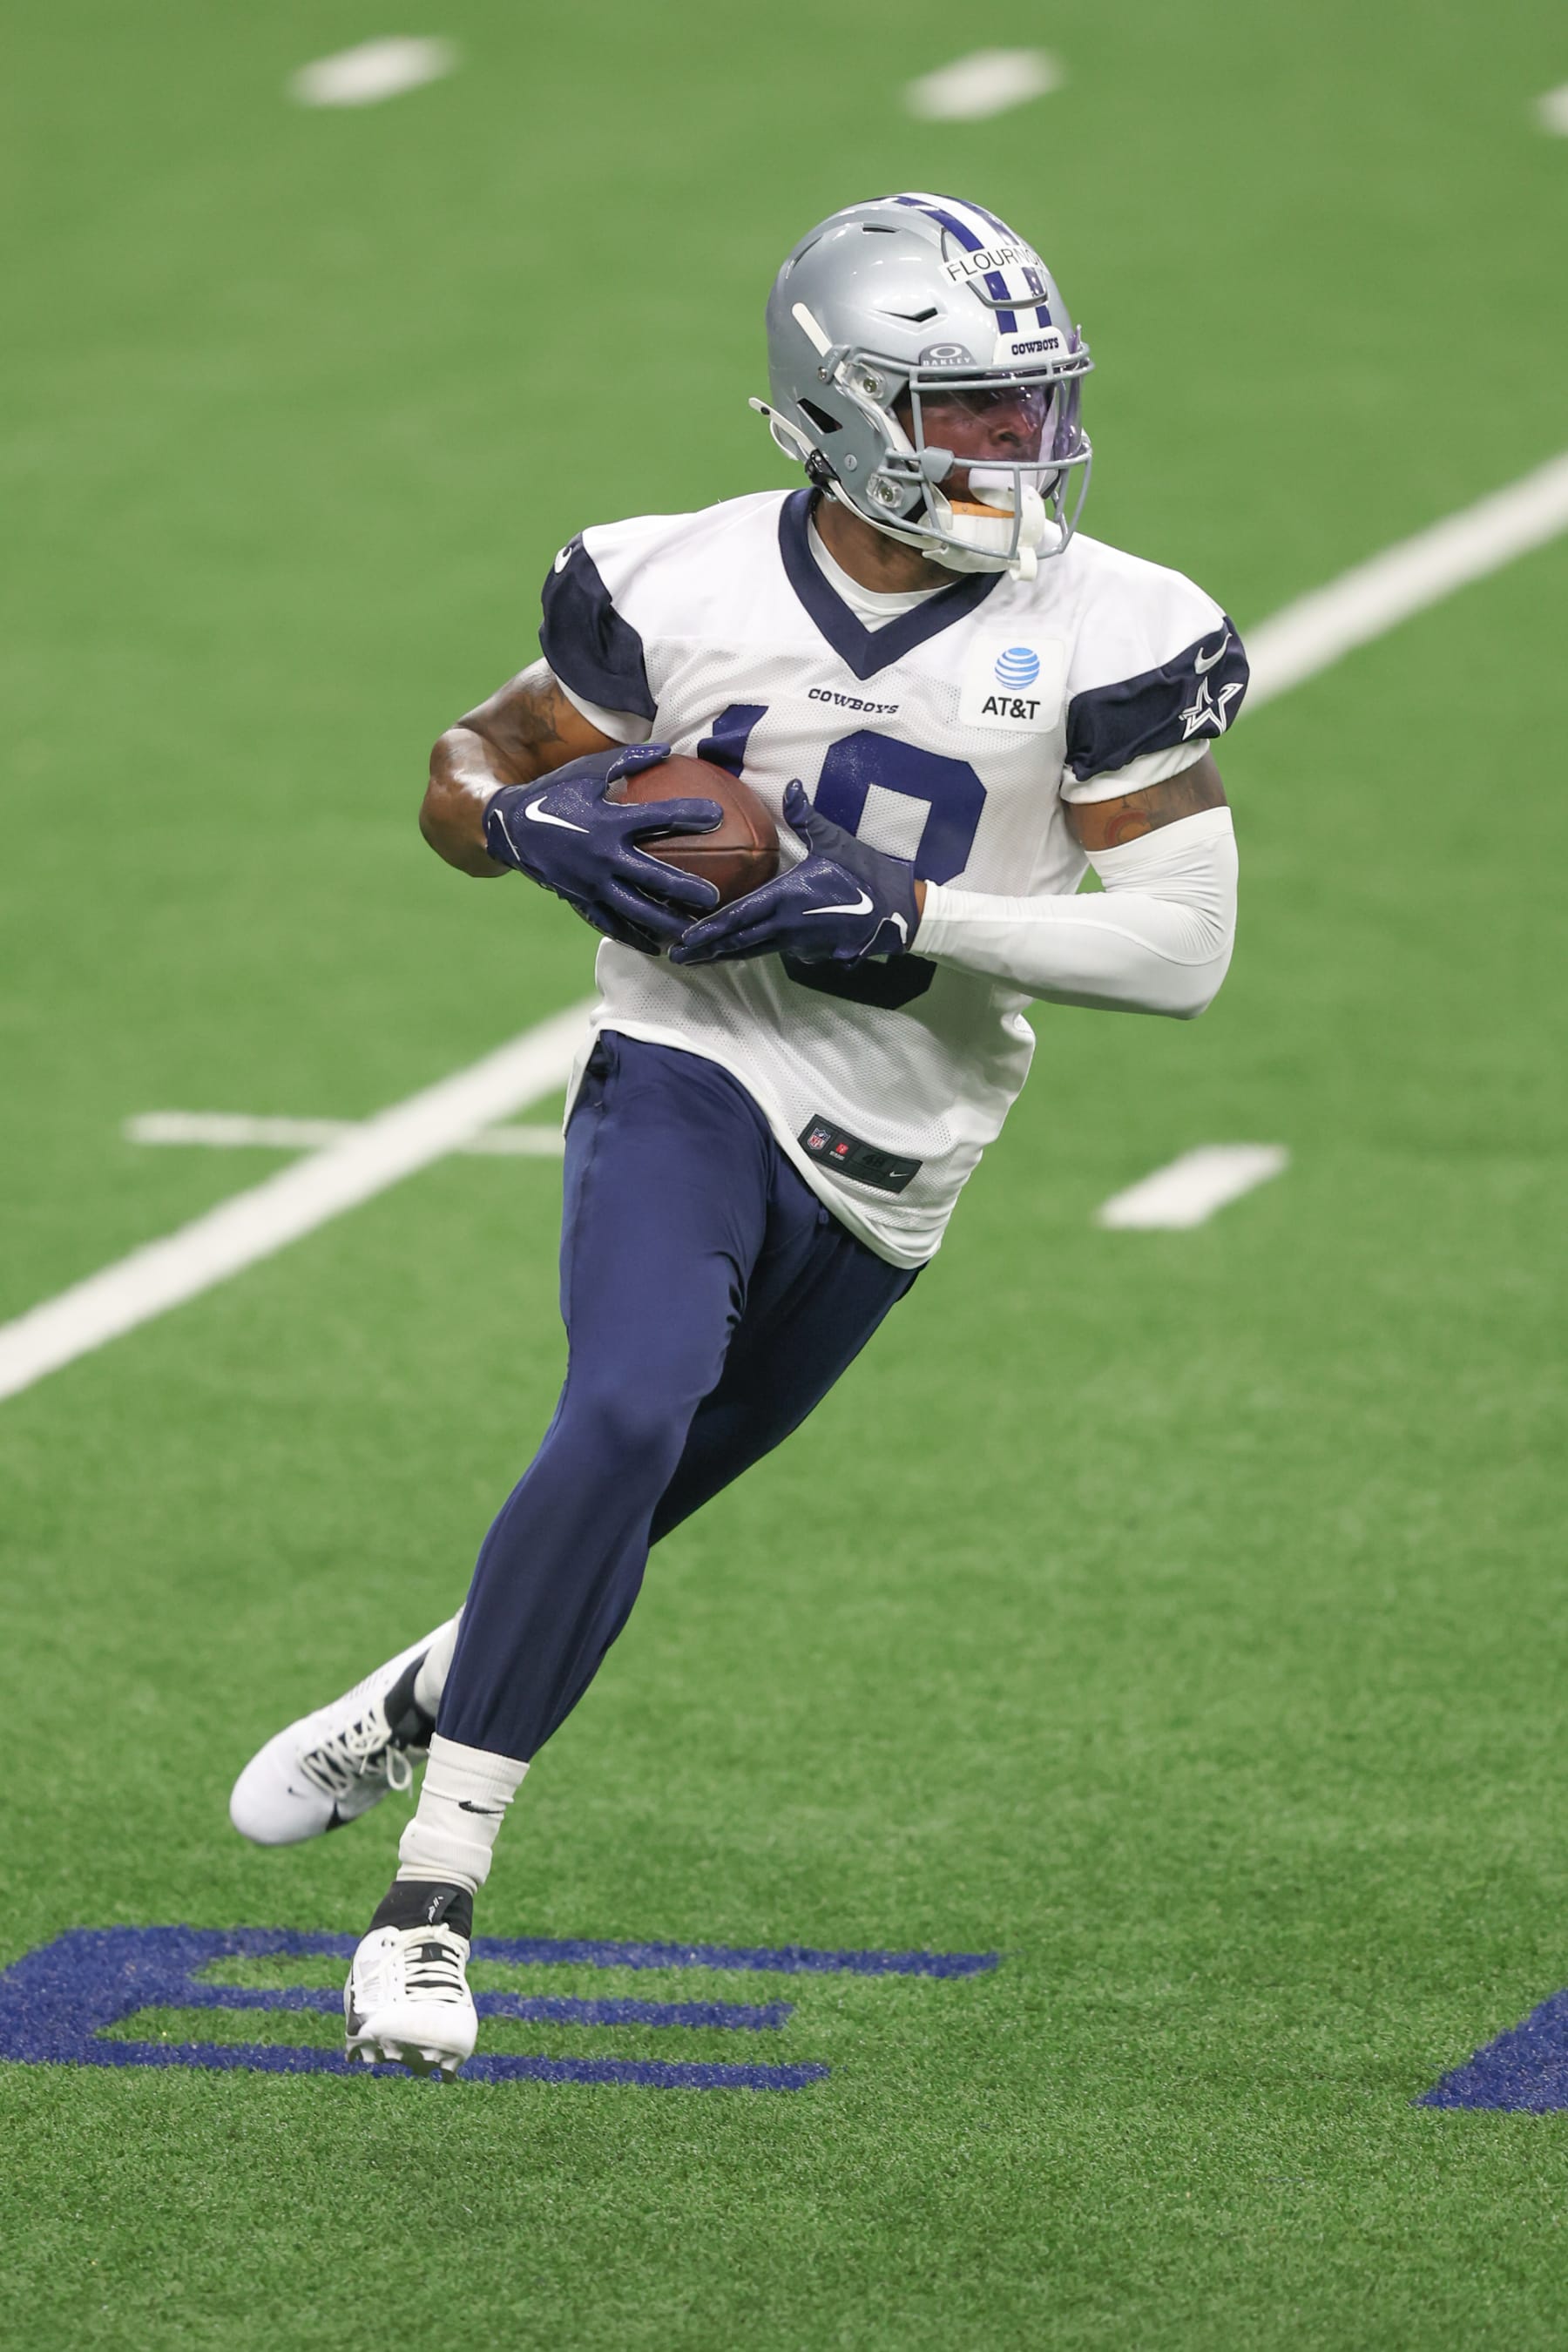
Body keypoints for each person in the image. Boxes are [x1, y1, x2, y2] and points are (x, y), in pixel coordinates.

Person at [230, 193, 1246, 2077]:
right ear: (840, 408)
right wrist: (521, 827)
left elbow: (1184, 951)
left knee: (631, 1505)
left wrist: (910, 917)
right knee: (617, 1419)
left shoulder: (1121, 625)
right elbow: (476, 761)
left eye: (1034, 408)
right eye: (974, 411)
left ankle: (425, 1694)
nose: (1019, 450)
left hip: (906, 1143)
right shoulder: (671, 579)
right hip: (690, 1063)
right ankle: (428, 1910)